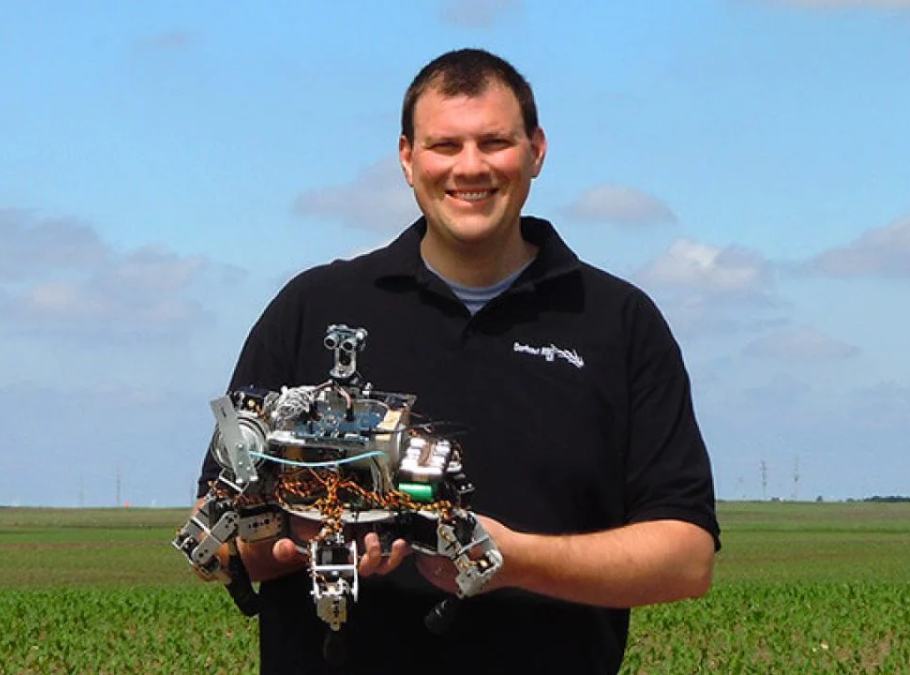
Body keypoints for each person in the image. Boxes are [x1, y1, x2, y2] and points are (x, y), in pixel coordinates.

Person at [196, 48, 720, 674]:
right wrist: (290, 544)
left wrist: (510, 558)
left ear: (536, 150)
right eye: (445, 145)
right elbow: (221, 527)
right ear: (407, 159)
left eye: (494, 142)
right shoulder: (311, 308)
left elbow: (686, 558)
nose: (469, 167)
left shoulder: (618, 322)